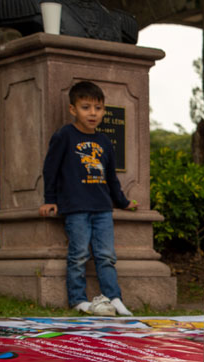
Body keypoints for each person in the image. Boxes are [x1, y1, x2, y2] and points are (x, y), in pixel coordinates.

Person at [38, 80, 137, 317]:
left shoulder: (104, 141)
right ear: (73, 109)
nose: (93, 113)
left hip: (102, 207)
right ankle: (78, 299)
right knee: (79, 254)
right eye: (86, 107)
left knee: (106, 256)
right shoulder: (64, 136)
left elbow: (111, 177)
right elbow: (50, 169)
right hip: (76, 207)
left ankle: (114, 298)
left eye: (98, 108)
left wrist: (123, 202)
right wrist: (50, 199)